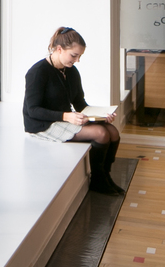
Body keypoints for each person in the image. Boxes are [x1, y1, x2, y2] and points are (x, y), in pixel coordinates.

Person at [23, 26, 123, 195]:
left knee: (112, 131)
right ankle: (98, 180)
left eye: (79, 56)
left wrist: (99, 117)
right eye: (74, 55)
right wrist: (65, 116)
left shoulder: (71, 71)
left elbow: (79, 103)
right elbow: (33, 110)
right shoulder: (37, 72)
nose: (77, 60)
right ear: (59, 49)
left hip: (64, 119)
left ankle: (105, 176)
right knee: (101, 134)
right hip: (43, 124)